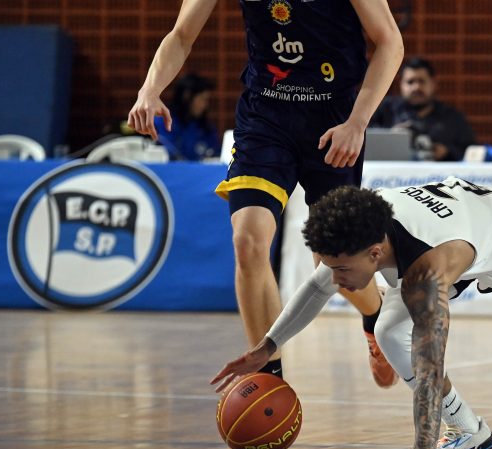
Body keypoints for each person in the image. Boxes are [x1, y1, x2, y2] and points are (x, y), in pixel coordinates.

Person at [211, 176, 492, 449]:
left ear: (375, 254)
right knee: (388, 330)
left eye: (342, 270)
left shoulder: (426, 275)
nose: (337, 280)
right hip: (459, 230)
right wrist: (267, 347)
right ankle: (471, 435)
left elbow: (430, 367)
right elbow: (317, 287)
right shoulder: (362, 228)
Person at [127, 0, 404, 388]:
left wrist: (358, 122)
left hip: (334, 118)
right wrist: (150, 89)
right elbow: (181, 35)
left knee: (334, 264)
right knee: (248, 240)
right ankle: (269, 379)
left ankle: (374, 316)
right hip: (265, 119)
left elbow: (390, 40)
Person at [370, 57, 476, 161]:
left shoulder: (452, 118)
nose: (416, 87)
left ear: (433, 84)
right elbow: (365, 137)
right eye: (410, 82)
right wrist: (390, 135)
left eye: (422, 81)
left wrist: (446, 152)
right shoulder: (385, 109)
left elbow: (471, 151)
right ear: (401, 84)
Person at [153, 73, 219, 161]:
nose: (205, 105)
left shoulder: (207, 128)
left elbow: (215, 157)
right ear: (186, 96)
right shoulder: (162, 123)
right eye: (202, 99)